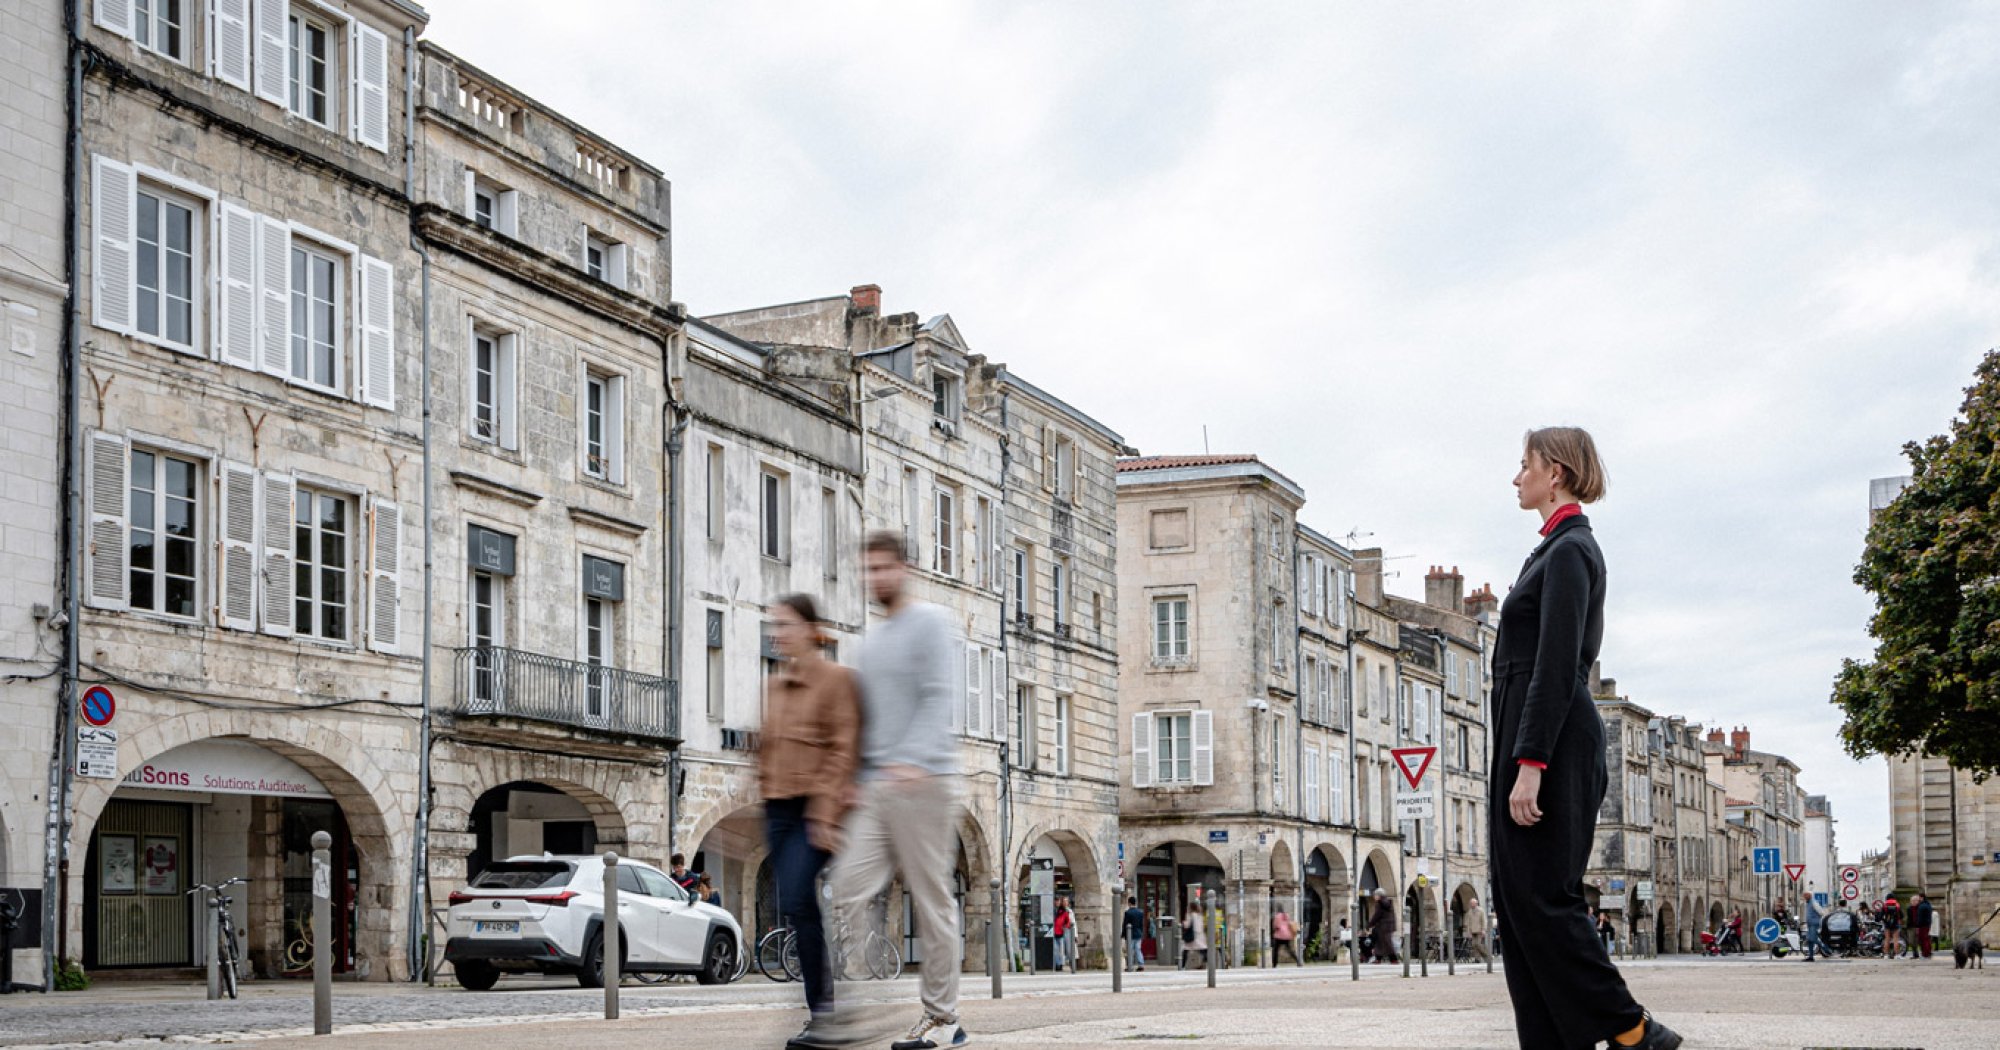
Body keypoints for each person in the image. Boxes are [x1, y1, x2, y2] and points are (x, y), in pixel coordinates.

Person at [1490, 428, 1681, 1050]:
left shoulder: (1572, 550)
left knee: (1546, 898)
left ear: (1558, 473)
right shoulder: (1548, 551)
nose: (1516, 477)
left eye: (1526, 465)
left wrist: (1531, 762)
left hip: (1553, 741)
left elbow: (1556, 663)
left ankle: (1631, 1028)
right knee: (1519, 909)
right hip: (1528, 737)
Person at [828, 532, 968, 1050]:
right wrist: (853, 778)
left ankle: (943, 1020)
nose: (876, 579)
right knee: (845, 886)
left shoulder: (930, 623)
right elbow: (867, 718)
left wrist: (911, 759)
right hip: (876, 787)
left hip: (924, 780)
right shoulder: (871, 641)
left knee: (932, 902)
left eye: (885, 568)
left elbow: (938, 699)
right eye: (869, 570)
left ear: (905, 568)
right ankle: (852, 1007)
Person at [759, 593, 862, 1050]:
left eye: (784, 624)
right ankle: (823, 1016)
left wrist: (825, 814)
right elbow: (767, 752)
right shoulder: (775, 685)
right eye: (773, 625)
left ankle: (825, 1015)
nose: (777, 633)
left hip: (812, 809)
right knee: (797, 908)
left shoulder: (836, 679)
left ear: (808, 628)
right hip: (778, 809)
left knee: (802, 898)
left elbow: (843, 748)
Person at [1368, 890, 1400, 964]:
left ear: (1379, 896)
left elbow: (1377, 916)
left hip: (1384, 926)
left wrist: (1369, 924)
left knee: (1387, 943)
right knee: (1380, 942)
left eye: (1375, 895)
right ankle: (1378, 959)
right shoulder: (1386, 902)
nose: (1374, 897)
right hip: (1387, 926)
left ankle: (1394, 959)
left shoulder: (1381, 903)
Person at [1121, 897, 1148, 971]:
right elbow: (1141, 924)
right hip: (1138, 934)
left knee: (1130, 950)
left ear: (1129, 903)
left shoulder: (1128, 913)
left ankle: (1130, 965)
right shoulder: (1140, 912)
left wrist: (1123, 934)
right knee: (1138, 949)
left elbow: (1125, 924)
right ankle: (1141, 964)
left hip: (1130, 934)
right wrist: (1141, 932)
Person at [1462, 896, 1492, 963]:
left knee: (1478, 944)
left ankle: (1486, 956)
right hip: (1472, 931)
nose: (1471, 904)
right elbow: (1468, 922)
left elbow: (1483, 921)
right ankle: (1477, 959)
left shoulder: (1481, 911)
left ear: (1476, 903)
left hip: (1479, 930)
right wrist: (1468, 931)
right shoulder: (1469, 912)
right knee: (1474, 945)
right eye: (1471, 903)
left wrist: (1484, 930)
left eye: (1473, 903)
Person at [1181, 898, 1208, 970]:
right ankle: (1205, 963)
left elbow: (1187, 925)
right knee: (1203, 950)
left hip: (1193, 936)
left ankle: (1182, 966)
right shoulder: (1200, 915)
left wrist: (1183, 923)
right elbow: (1202, 925)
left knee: (1185, 950)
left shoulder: (1190, 915)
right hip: (1200, 935)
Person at [1051, 897, 1075, 971]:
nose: (1057, 902)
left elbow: (1068, 921)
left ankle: (1060, 964)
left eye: (1058, 901)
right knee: (1055, 949)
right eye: (1056, 901)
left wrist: (1065, 926)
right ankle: (1058, 964)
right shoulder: (1052, 910)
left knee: (1061, 950)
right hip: (1053, 932)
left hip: (1061, 933)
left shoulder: (1064, 911)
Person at [1909, 894, 1935, 959]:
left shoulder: (1921, 906)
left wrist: (1918, 925)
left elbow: (1920, 917)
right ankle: (1928, 953)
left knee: (1923, 940)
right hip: (1927, 924)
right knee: (1926, 939)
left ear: (1922, 898)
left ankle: (1925, 954)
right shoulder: (1928, 904)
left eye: (1919, 898)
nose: (1918, 899)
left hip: (1922, 925)